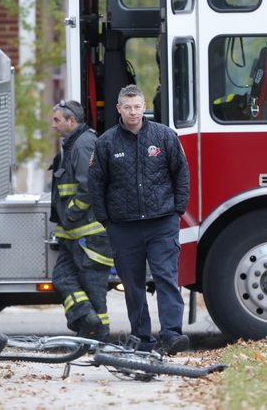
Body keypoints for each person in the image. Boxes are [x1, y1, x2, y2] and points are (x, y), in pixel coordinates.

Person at [88, 84, 190, 355]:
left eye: (137, 107)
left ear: (144, 108)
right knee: (133, 287)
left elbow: (181, 173)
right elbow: (96, 184)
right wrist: (106, 220)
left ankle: (172, 334)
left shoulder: (165, 136)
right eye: (127, 107)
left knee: (166, 278)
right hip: (123, 227)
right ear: (118, 109)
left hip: (161, 222)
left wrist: (177, 210)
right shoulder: (106, 143)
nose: (133, 112)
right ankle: (142, 338)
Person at [50, 100, 113, 341]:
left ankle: (100, 336)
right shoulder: (73, 144)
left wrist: (71, 214)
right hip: (74, 233)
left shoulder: (84, 144)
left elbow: (88, 187)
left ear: (71, 121)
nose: (53, 125)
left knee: (94, 290)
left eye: (57, 120)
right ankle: (87, 319)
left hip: (91, 235)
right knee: (62, 278)